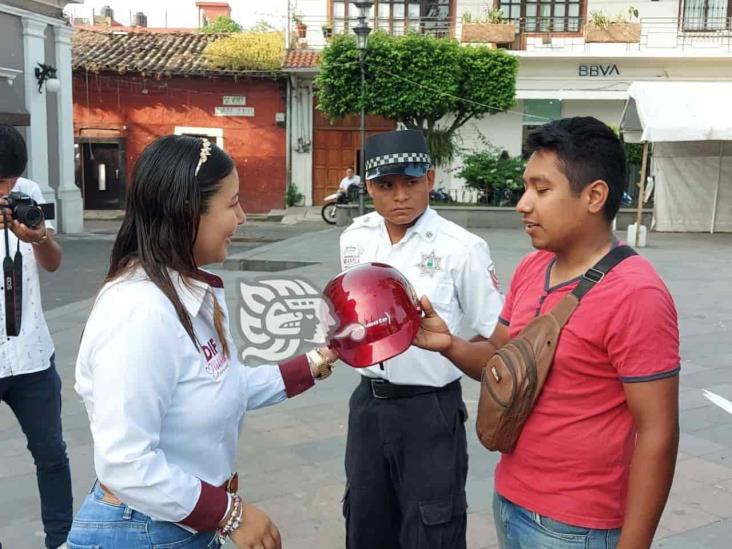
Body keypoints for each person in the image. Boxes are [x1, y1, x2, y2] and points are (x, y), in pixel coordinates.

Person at [415, 117, 680, 548]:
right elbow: (500, 360)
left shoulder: (637, 294)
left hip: (579, 527)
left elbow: (658, 433)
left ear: (594, 196)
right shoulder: (532, 267)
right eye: (526, 188)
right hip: (511, 499)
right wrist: (449, 345)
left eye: (541, 190)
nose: (523, 203)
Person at [69, 135, 338, 549]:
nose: (243, 217)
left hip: (180, 524)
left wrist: (316, 361)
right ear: (187, 212)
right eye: (232, 204)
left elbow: (218, 388)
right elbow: (126, 461)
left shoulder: (191, 289)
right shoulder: (139, 311)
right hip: (142, 531)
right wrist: (231, 513)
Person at [339, 129, 504, 548]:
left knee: (432, 527)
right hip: (368, 406)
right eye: (385, 185)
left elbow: (498, 335)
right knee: (365, 520)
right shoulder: (355, 239)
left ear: (430, 178)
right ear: (368, 187)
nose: (399, 196)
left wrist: (454, 346)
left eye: (411, 182)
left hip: (429, 411)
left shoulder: (461, 248)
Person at [0, 124, 69, 549]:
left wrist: (37, 236)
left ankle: (60, 540)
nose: (6, 191)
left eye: (10, 181)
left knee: (51, 454)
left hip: (31, 356)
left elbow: (54, 263)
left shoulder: (31, 193)